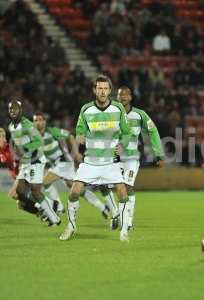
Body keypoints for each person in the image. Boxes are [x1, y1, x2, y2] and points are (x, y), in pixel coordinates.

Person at [59, 75, 133, 242]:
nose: (102, 91)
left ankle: (124, 231)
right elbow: (79, 131)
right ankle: (71, 226)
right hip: (90, 161)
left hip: (110, 162)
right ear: (94, 90)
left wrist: (122, 145)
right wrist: (80, 138)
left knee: (122, 192)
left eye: (105, 88)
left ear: (110, 90)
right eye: (99, 88)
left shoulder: (118, 109)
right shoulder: (86, 109)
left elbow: (127, 133)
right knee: (74, 192)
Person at [33, 112, 110, 218]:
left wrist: (76, 152)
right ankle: (102, 207)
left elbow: (70, 135)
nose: (38, 122)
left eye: (40, 120)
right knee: (77, 189)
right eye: (35, 120)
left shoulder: (52, 132)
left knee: (46, 182)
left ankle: (58, 206)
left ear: (45, 122)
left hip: (63, 161)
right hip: (56, 164)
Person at [116, 86, 164, 230]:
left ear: (130, 97)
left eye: (126, 94)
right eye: (120, 95)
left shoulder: (140, 114)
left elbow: (153, 131)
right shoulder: (112, 114)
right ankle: (117, 214)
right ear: (116, 98)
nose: (123, 97)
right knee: (118, 188)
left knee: (128, 186)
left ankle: (128, 221)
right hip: (115, 158)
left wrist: (159, 154)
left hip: (132, 158)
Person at [8, 98, 61, 226]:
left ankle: (53, 217)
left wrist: (26, 150)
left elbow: (39, 141)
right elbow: (16, 143)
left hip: (35, 160)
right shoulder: (11, 126)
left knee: (35, 191)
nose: (13, 111)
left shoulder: (28, 125)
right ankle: (51, 206)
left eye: (16, 108)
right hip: (25, 162)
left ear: (20, 110)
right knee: (19, 192)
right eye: (11, 108)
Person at [0, 126, 39, 216]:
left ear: (4, 138)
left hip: (25, 171)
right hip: (19, 175)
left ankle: (43, 208)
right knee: (21, 204)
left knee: (13, 194)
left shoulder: (10, 148)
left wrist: (22, 169)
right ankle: (44, 212)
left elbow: (23, 156)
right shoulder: (0, 149)